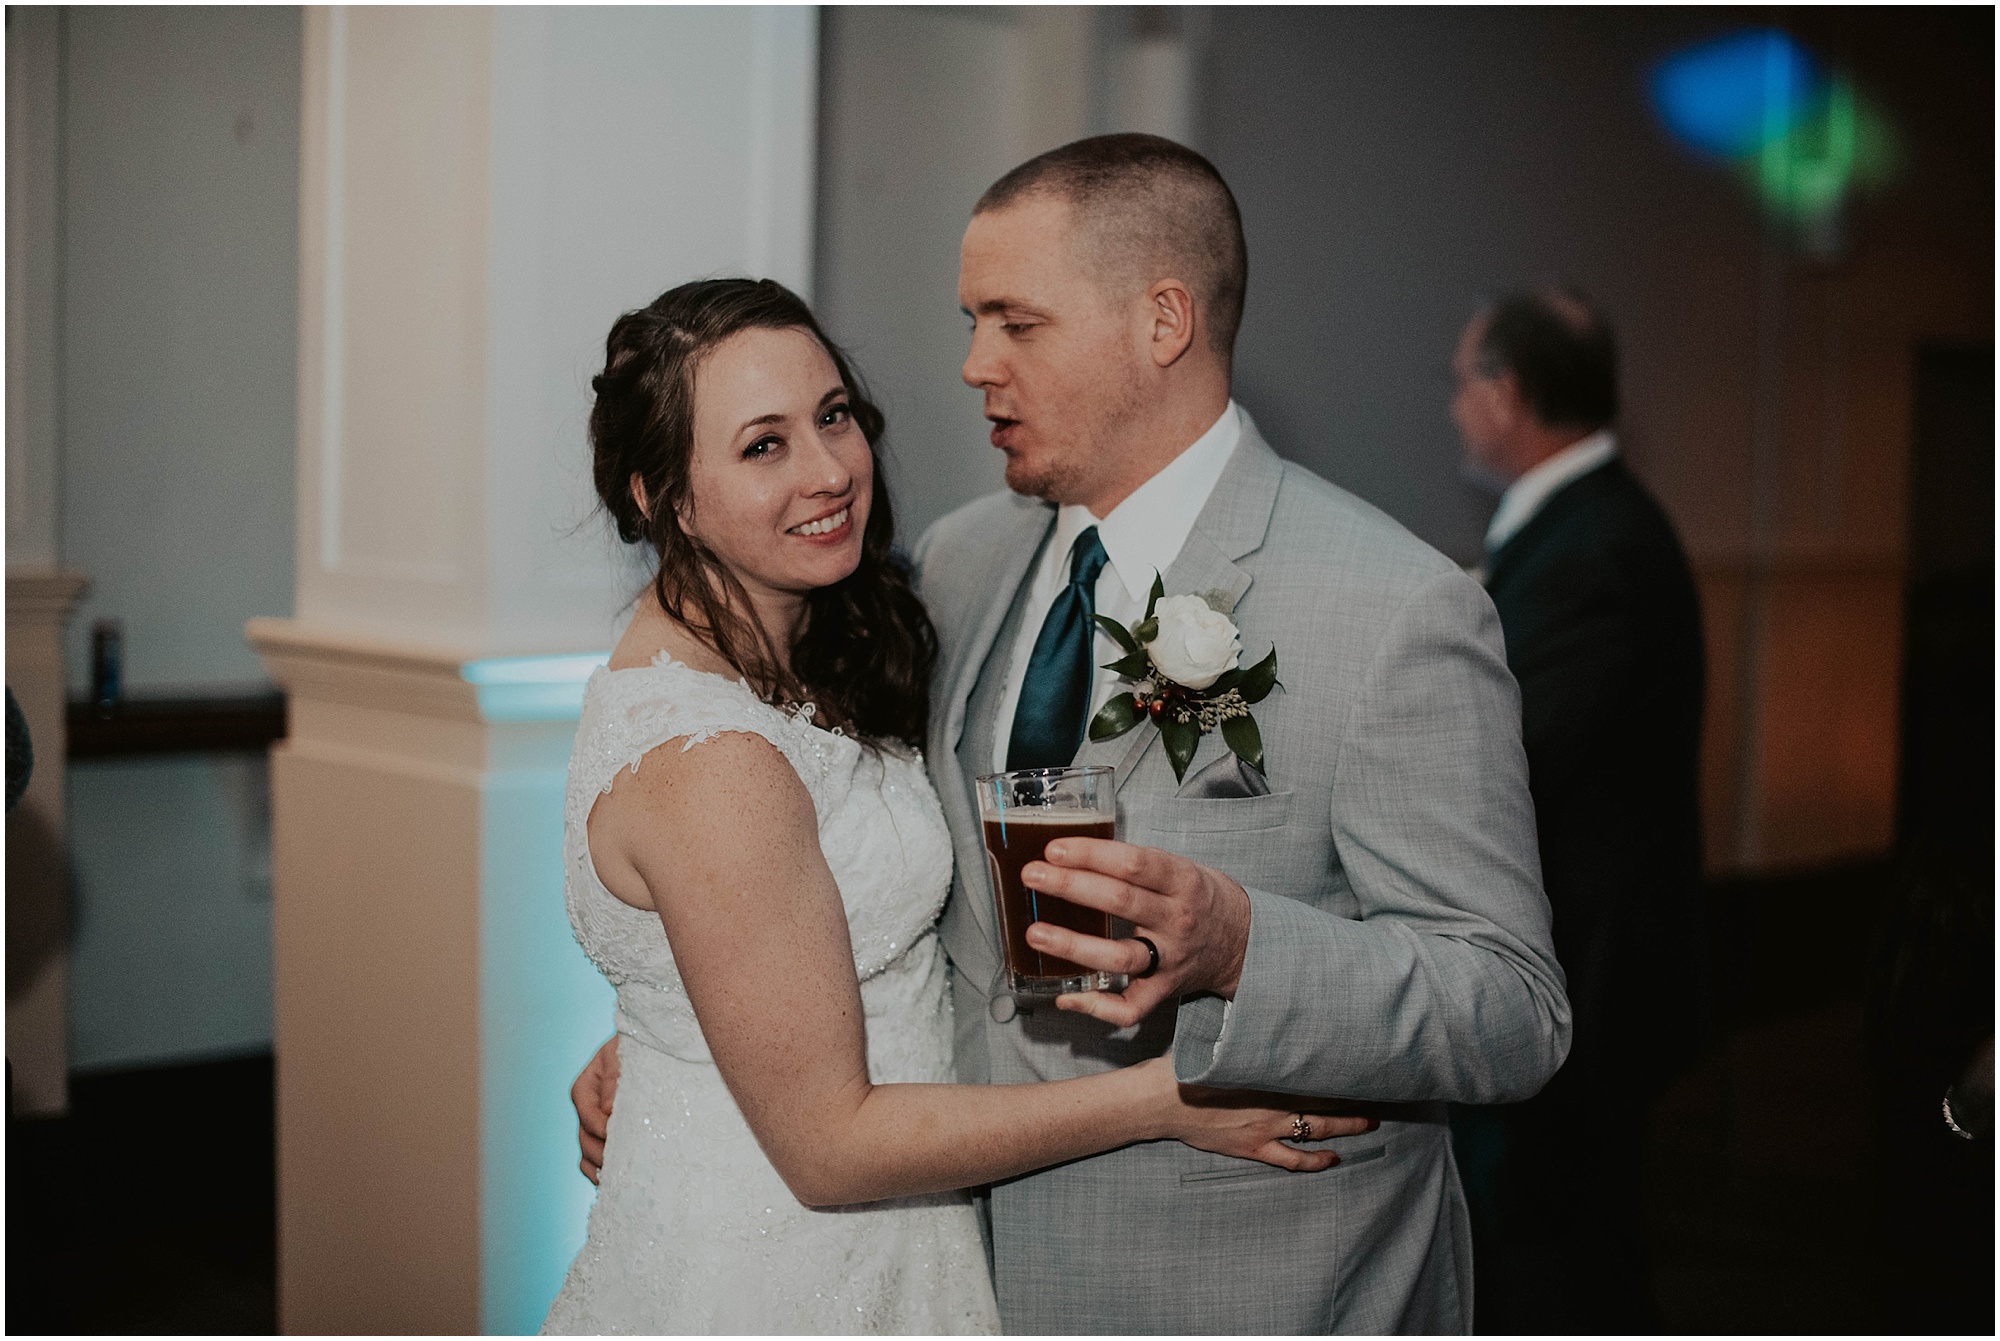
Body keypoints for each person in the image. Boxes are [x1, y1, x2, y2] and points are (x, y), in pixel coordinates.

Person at [578, 136, 1570, 1333]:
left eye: (1013, 323)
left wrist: (1246, 946)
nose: (969, 365)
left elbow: (1513, 1010)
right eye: (969, 321)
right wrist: (691, 1036)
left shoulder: (1391, 609)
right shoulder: (958, 559)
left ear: (1159, 322)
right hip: (953, 1265)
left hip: (1248, 1286)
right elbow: (819, 870)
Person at [541, 277, 1376, 1334]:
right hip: (779, 1262)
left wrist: (680, 1028)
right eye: (763, 445)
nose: (829, 470)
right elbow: (830, 1149)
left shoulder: (831, 632)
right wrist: (1169, 1098)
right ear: (660, 496)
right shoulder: (714, 759)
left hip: (893, 1228)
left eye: (832, 416)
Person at [1446, 289, 1709, 1331]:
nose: (1454, 408)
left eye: (1460, 382)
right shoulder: (1579, 527)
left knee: (1551, 1269)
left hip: (1583, 978)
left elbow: (1510, 754)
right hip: (1585, 963)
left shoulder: (1592, 550)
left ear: (1506, 394)